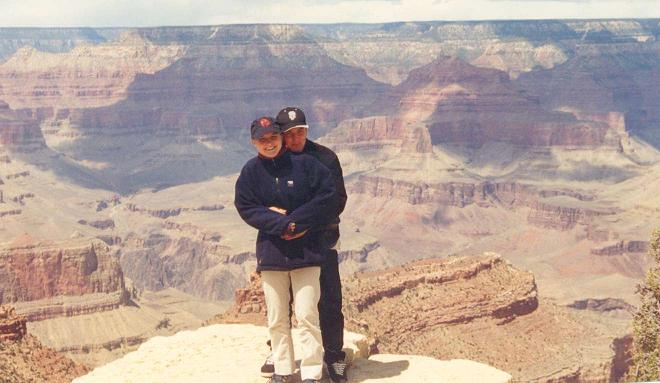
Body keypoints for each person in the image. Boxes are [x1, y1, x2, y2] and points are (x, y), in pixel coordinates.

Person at [235, 116, 337, 383]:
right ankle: (282, 370)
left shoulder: (306, 165)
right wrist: (281, 224)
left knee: (306, 315)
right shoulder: (250, 172)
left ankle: (312, 373)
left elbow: (327, 197)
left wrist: (295, 222)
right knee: (277, 317)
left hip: (307, 252)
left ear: (280, 137)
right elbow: (246, 207)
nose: (269, 144)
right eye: (262, 140)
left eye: (273, 138)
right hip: (272, 254)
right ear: (253, 143)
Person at [269, 106, 349, 382]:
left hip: (322, 241)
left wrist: (302, 224)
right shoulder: (273, 162)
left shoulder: (326, 158)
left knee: (329, 300)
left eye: (300, 132)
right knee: (285, 301)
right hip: (286, 243)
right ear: (280, 135)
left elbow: (337, 201)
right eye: (289, 134)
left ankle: (335, 356)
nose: (295, 139)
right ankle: (279, 353)